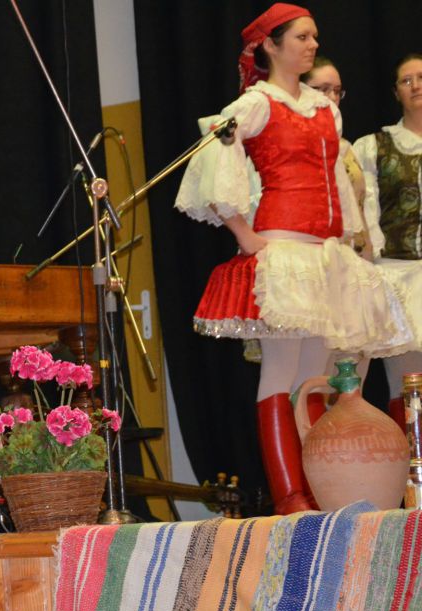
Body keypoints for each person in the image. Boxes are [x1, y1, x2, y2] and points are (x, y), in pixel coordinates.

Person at [174, 3, 412, 514]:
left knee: (315, 377)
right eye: (302, 37)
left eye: (314, 36)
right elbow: (213, 159)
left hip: (325, 255)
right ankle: (289, 496)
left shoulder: (324, 108)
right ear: (270, 45)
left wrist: (348, 241)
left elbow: (336, 182)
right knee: (282, 373)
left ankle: (319, 489)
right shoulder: (255, 104)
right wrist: (244, 233)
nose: (312, 45)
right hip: (283, 251)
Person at [353, 53, 422, 427]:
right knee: (409, 384)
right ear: (396, 92)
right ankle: (415, 462)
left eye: (421, 77)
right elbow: (364, 214)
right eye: (406, 80)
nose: (416, 86)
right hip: (399, 275)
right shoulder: (374, 147)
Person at [303, 56, 369, 253]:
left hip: (351, 253)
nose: (332, 97)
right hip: (308, 252)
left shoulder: (346, 149)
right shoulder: (284, 146)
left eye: (337, 91)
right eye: (323, 89)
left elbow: (361, 209)